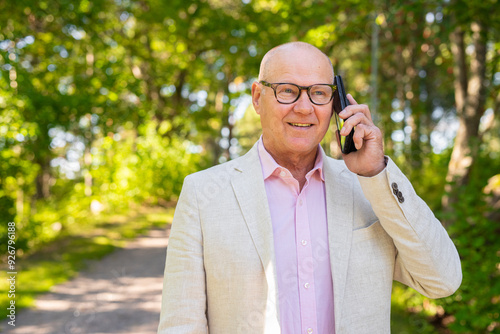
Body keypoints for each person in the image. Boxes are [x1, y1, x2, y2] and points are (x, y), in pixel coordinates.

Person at [157, 42, 462, 334]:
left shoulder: (370, 186)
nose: (304, 108)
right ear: (257, 97)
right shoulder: (202, 193)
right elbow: (181, 324)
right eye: (287, 91)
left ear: (336, 104)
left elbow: (442, 280)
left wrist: (375, 173)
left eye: (319, 93)